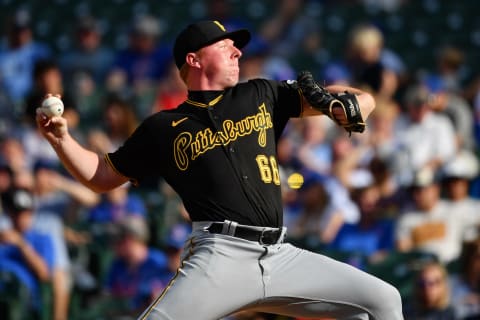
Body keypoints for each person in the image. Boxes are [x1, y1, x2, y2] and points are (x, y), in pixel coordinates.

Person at [36, 20, 403, 319]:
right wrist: (60, 140)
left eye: (236, 45)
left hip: (279, 253)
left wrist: (349, 103)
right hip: (220, 255)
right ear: (194, 60)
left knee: (384, 300)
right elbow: (102, 176)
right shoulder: (163, 128)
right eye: (225, 45)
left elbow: (362, 101)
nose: (237, 51)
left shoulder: (260, 93)